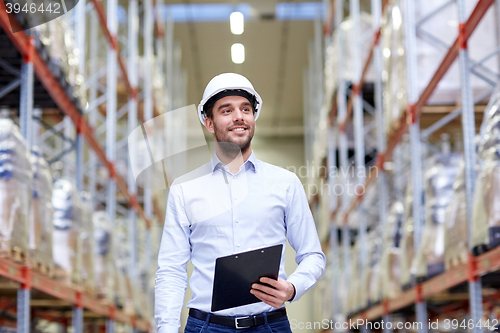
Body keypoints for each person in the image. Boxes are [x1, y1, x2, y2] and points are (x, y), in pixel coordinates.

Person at [155, 73, 326, 333]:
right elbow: (171, 270)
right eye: (227, 110)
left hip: (270, 325)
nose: (239, 116)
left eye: (245, 109)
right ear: (209, 123)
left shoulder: (286, 183)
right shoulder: (185, 189)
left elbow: (313, 255)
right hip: (206, 327)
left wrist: (292, 288)